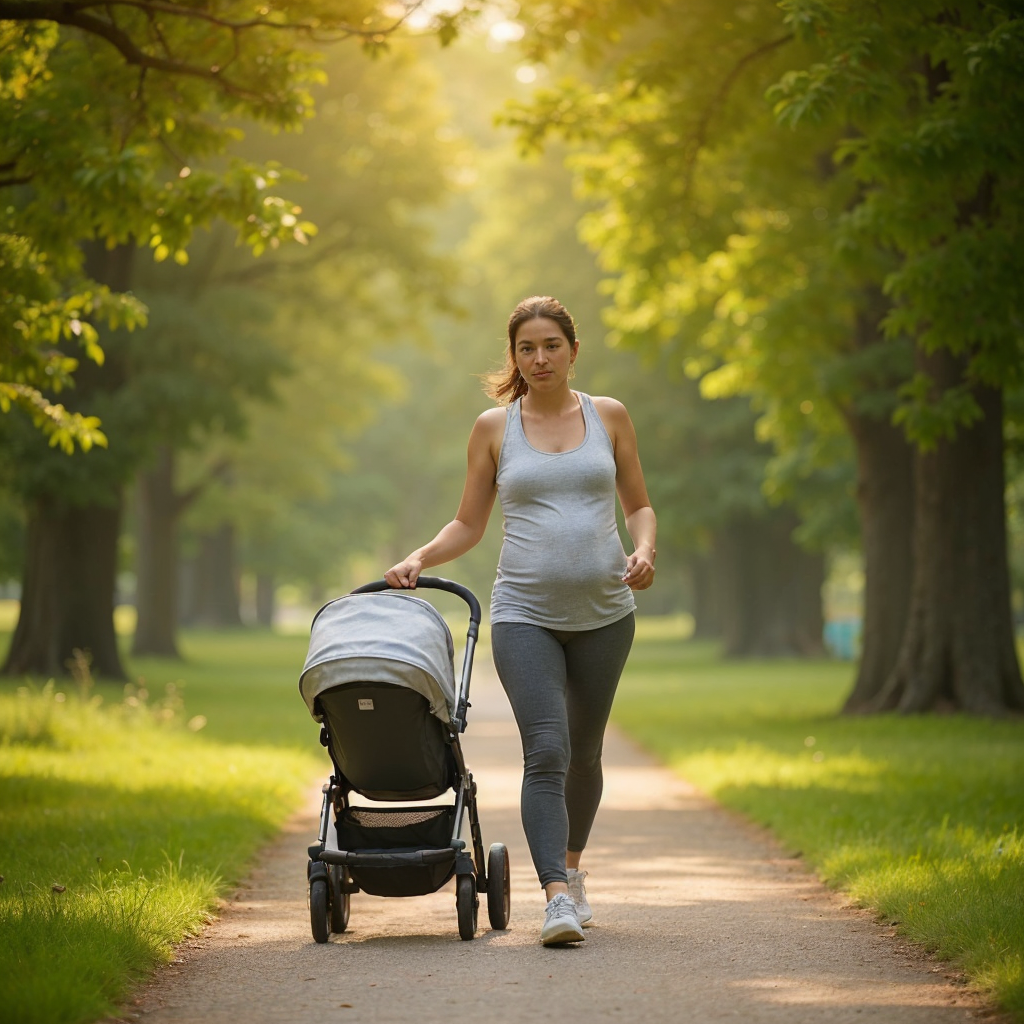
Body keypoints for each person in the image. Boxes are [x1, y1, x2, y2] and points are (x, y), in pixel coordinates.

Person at [385, 295, 656, 946]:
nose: (539, 358)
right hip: (524, 614)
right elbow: (468, 524)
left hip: (605, 615)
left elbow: (639, 506)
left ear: (573, 350)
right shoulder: (493, 428)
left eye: (551, 346)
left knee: (585, 754)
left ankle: (573, 869)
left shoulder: (609, 417)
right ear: (514, 356)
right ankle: (556, 901)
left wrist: (644, 550)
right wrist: (421, 556)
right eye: (526, 348)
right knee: (548, 750)